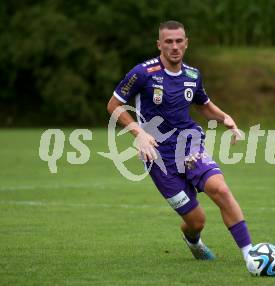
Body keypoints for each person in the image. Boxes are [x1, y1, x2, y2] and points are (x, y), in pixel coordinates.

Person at [107, 20, 252, 261]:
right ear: (159, 45)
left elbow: (204, 105)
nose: (174, 46)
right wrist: (139, 133)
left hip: (190, 146)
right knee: (197, 221)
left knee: (221, 189)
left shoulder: (193, 75)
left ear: (186, 43)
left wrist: (225, 117)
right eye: (169, 42)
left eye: (179, 41)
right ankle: (192, 240)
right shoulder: (142, 73)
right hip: (159, 157)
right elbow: (113, 105)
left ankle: (251, 255)